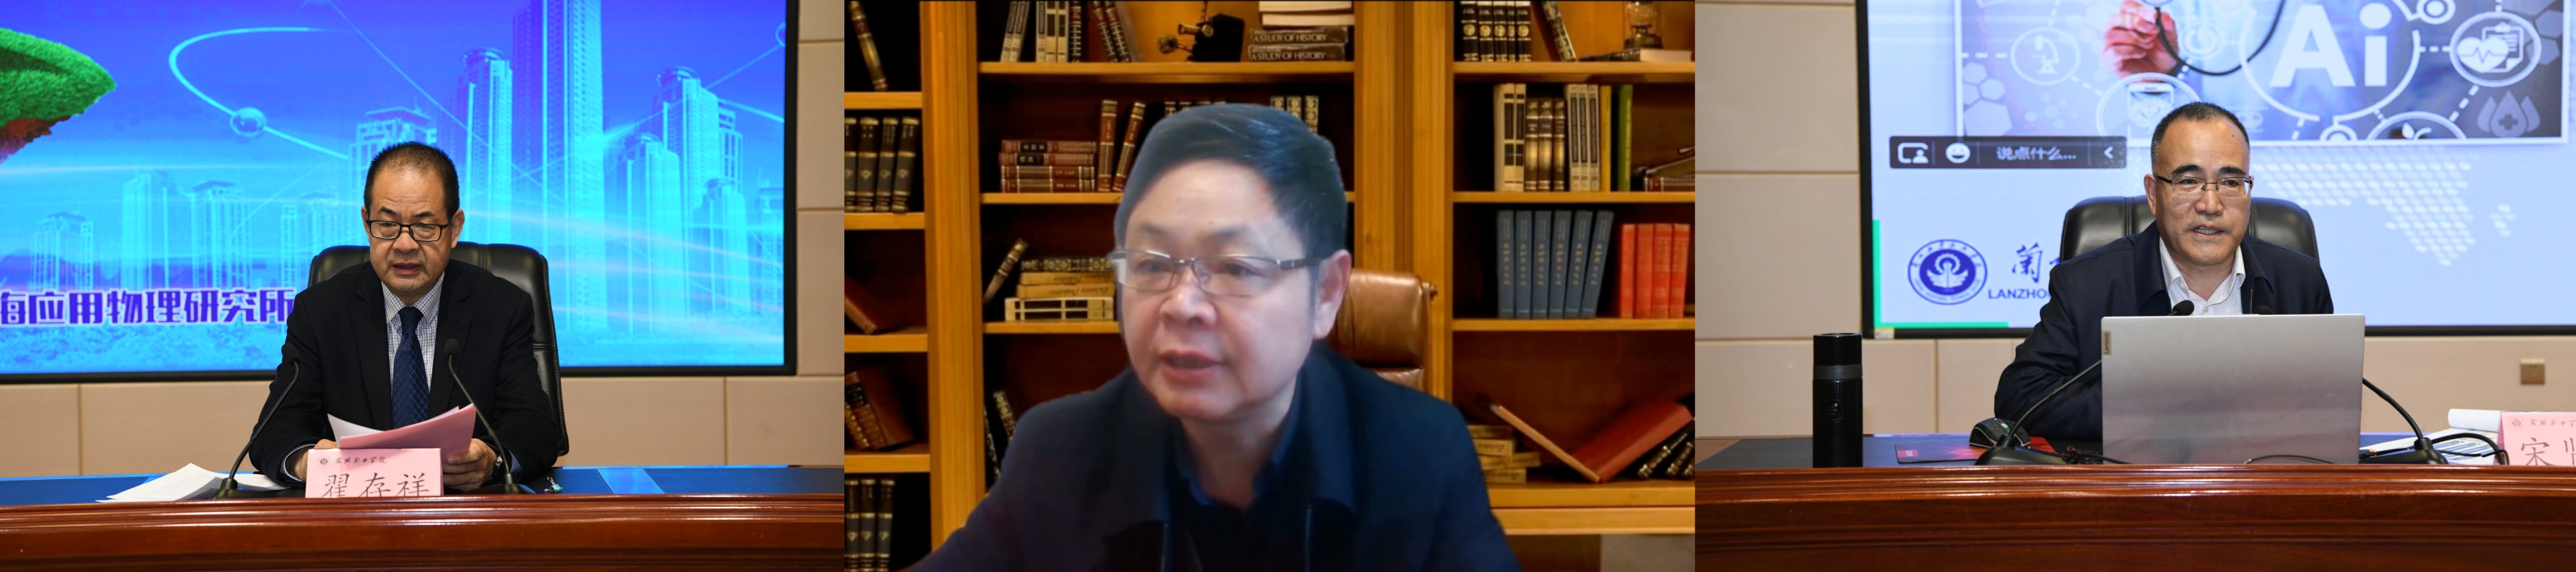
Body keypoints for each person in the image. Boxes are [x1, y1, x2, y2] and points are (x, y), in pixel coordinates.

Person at [917, 105, 1518, 571]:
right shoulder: (1060, 451)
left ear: (1327, 292)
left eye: (1234, 268)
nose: (1181, 306)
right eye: (1152, 264)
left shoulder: (1421, 454)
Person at [1994, 102, 2335, 440]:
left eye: (2231, 182)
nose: (2210, 205)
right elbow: (2021, 396)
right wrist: (2159, 411)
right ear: (2154, 194)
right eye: (2189, 181)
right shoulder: (2086, 285)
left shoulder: (2300, 282)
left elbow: (2331, 404)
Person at [250, 142, 560, 491]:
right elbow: (273, 433)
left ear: (455, 228)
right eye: (387, 224)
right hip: (356, 510)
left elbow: (535, 427)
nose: (405, 244)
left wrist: (493, 459)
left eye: (425, 226)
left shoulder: (501, 308)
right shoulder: (320, 312)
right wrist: (307, 462)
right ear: (366, 222)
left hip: (462, 512)